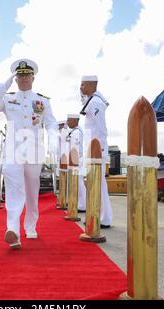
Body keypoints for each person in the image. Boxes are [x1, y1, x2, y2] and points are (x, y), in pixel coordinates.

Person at [0, 58, 58, 249]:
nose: (24, 79)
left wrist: (53, 140)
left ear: (33, 77)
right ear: (16, 79)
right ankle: (13, 230)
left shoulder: (42, 101)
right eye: (20, 76)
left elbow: (50, 122)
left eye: (27, 75)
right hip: (13, 151)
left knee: (32, 191)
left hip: (34, 151)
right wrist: (5, 82)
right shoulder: (7, 99)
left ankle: (30, 226)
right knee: (14, 189)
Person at [80, 75, 112, 228]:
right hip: (91, 149)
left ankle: (104, 218)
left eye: (83, 85)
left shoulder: (96, 102)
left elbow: (101, 128)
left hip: (97, 149)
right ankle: (96, 214)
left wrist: (100, 148)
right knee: (94, 183)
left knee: (99, 183)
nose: (81, 88)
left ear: (92, 85)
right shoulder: (91, 101)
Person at [66, 114, 86, 212]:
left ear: (75, 120)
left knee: (79, 182)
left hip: (77, 160)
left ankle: (83, 205)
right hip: (74, 160)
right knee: (76, 182)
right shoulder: (73, 132)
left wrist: (74, 160)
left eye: (69, 120)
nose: (67, 122)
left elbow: (76, 148)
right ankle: (79, 203)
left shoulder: (77, 132)